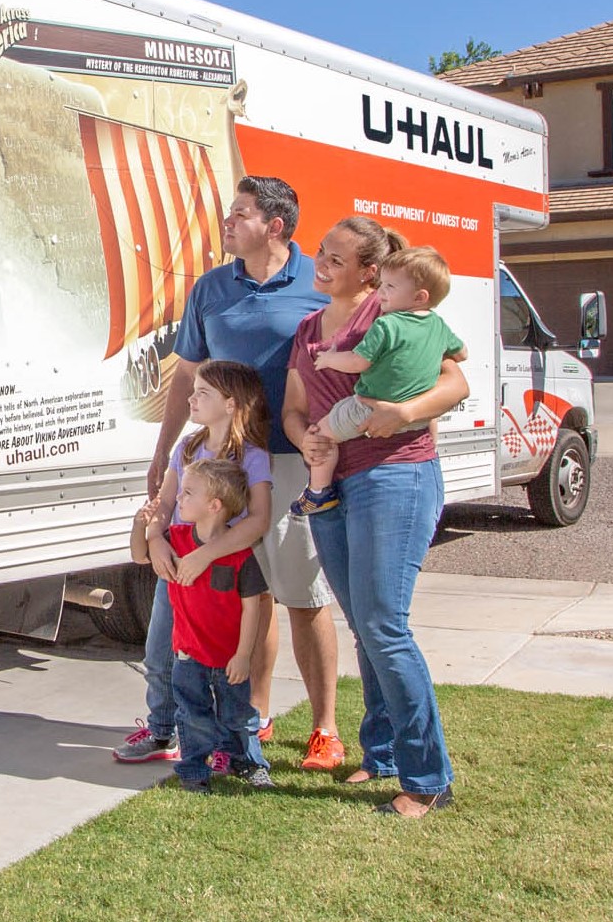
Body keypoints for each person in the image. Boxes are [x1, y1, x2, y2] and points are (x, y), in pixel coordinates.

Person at [145, 175, 344, 773]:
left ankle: (325, 728)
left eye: (240, 214)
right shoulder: (211, 288)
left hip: (292, 459)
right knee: (247, 591)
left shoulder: (316, 284)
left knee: (302, 592)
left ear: (274, 226)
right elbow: (187, 375)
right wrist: (164, 451)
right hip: (224, 465)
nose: (227, 223)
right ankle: (254, 713)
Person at [284, 216, 470, 817]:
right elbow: (293, 407)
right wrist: (306, 440)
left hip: (395, 474)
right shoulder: (309, 329)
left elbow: (455, 381)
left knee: (384, 625)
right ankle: (383, 753)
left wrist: (404, 412)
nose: (320, 263)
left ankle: (428, 779)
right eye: (320, 252)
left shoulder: (392, 313)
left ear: (370, 272)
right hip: (330, 483)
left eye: (336, 259)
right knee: (365, 626)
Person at [115, 360, 273, 766]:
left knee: (219, 662)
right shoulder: (187, 447)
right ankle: (161, 730)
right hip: (177, 570)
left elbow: (259, 519)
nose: (191, 398)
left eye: (203, 392)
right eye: (193, 390)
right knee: (160, 654)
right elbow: (164, 503)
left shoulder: (252, 456)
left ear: (232, 404)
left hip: (221, 575)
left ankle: (228, 744)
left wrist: (205, 555)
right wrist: (156, 540)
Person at [130, 456, 272, 794]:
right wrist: (140, 526)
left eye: (188, 493)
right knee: (192, 716)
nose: (178, 498)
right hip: (188, 656)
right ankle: (194, 770)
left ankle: (247, 762)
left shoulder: (240, 554)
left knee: (238, 715)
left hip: (229, 659)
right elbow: (139, 555)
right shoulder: (174, 540)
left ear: (214, 506)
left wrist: (243, 655)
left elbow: (252, 609)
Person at [291, 245, 466, 516]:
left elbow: (358, 362)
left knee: (321, 435)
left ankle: (319, 491)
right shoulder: (439, 325)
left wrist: (329, 359)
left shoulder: (387, 324)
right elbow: (462, 353)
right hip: (416, 423)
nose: (381, 292)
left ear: (419, 296)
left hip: (368, 408)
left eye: (389, 287)